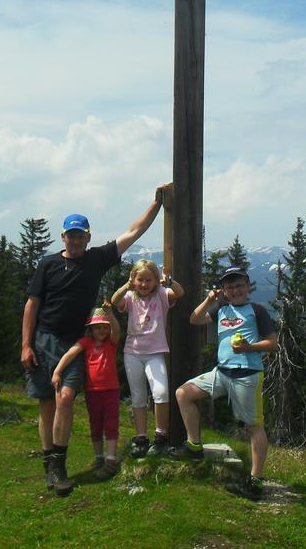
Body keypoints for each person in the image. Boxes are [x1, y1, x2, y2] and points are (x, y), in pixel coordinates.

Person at [21, 184, 168, 496]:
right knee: (46, 404)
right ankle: (50, 463)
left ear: (88, 237)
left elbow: (134, 231)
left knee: (64, 398)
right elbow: (32, 303)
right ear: (63, 237)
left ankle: (59, 464)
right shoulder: (47, 264)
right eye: (70, 234)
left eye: (80, 235)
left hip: (75, 343)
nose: (75, 239)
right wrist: (26, 344)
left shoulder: (96, 259)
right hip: (43, 339)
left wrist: (157, 202)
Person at [171, 266, 279, 500]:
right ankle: (194, 446)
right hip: (221, 373)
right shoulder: (221, 309)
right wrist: (209, 299)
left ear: (248, 286)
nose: (235, 290)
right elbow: (195, 319)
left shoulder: (257, 311)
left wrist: (249, 347)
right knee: (183, 394)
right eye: (229, 287)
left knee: (253, 427)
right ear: (224, 291)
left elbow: (272, 342)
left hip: (247, 374)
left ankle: (255, 482)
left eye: (239, 285)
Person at [109, 259, 184, 457]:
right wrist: (127, 284)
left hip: (155, 352)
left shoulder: (161, 295)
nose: (144, 284)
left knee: (161, 392)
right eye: (140, 279)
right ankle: (141, 437)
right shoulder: (130, 297)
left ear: (155, 280)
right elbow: (115, 300)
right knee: (138, 396)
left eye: (148, 280)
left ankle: (161, 436)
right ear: (134, 280)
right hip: (132, 352)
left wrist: (168, 281)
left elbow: (179, 293)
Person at [52, 304, 121, 480]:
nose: (102, 330)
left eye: (105, 327)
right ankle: (99, 458)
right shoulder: (86, 342)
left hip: (111, 390)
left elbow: (117, 331)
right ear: (91, 328)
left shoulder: (112, 343)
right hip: (92, 391)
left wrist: (110, 314)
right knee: (95, 425)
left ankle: (111, 459)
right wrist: (57, 371)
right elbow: (70, 353)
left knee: (111, 423)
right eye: (98, 327)